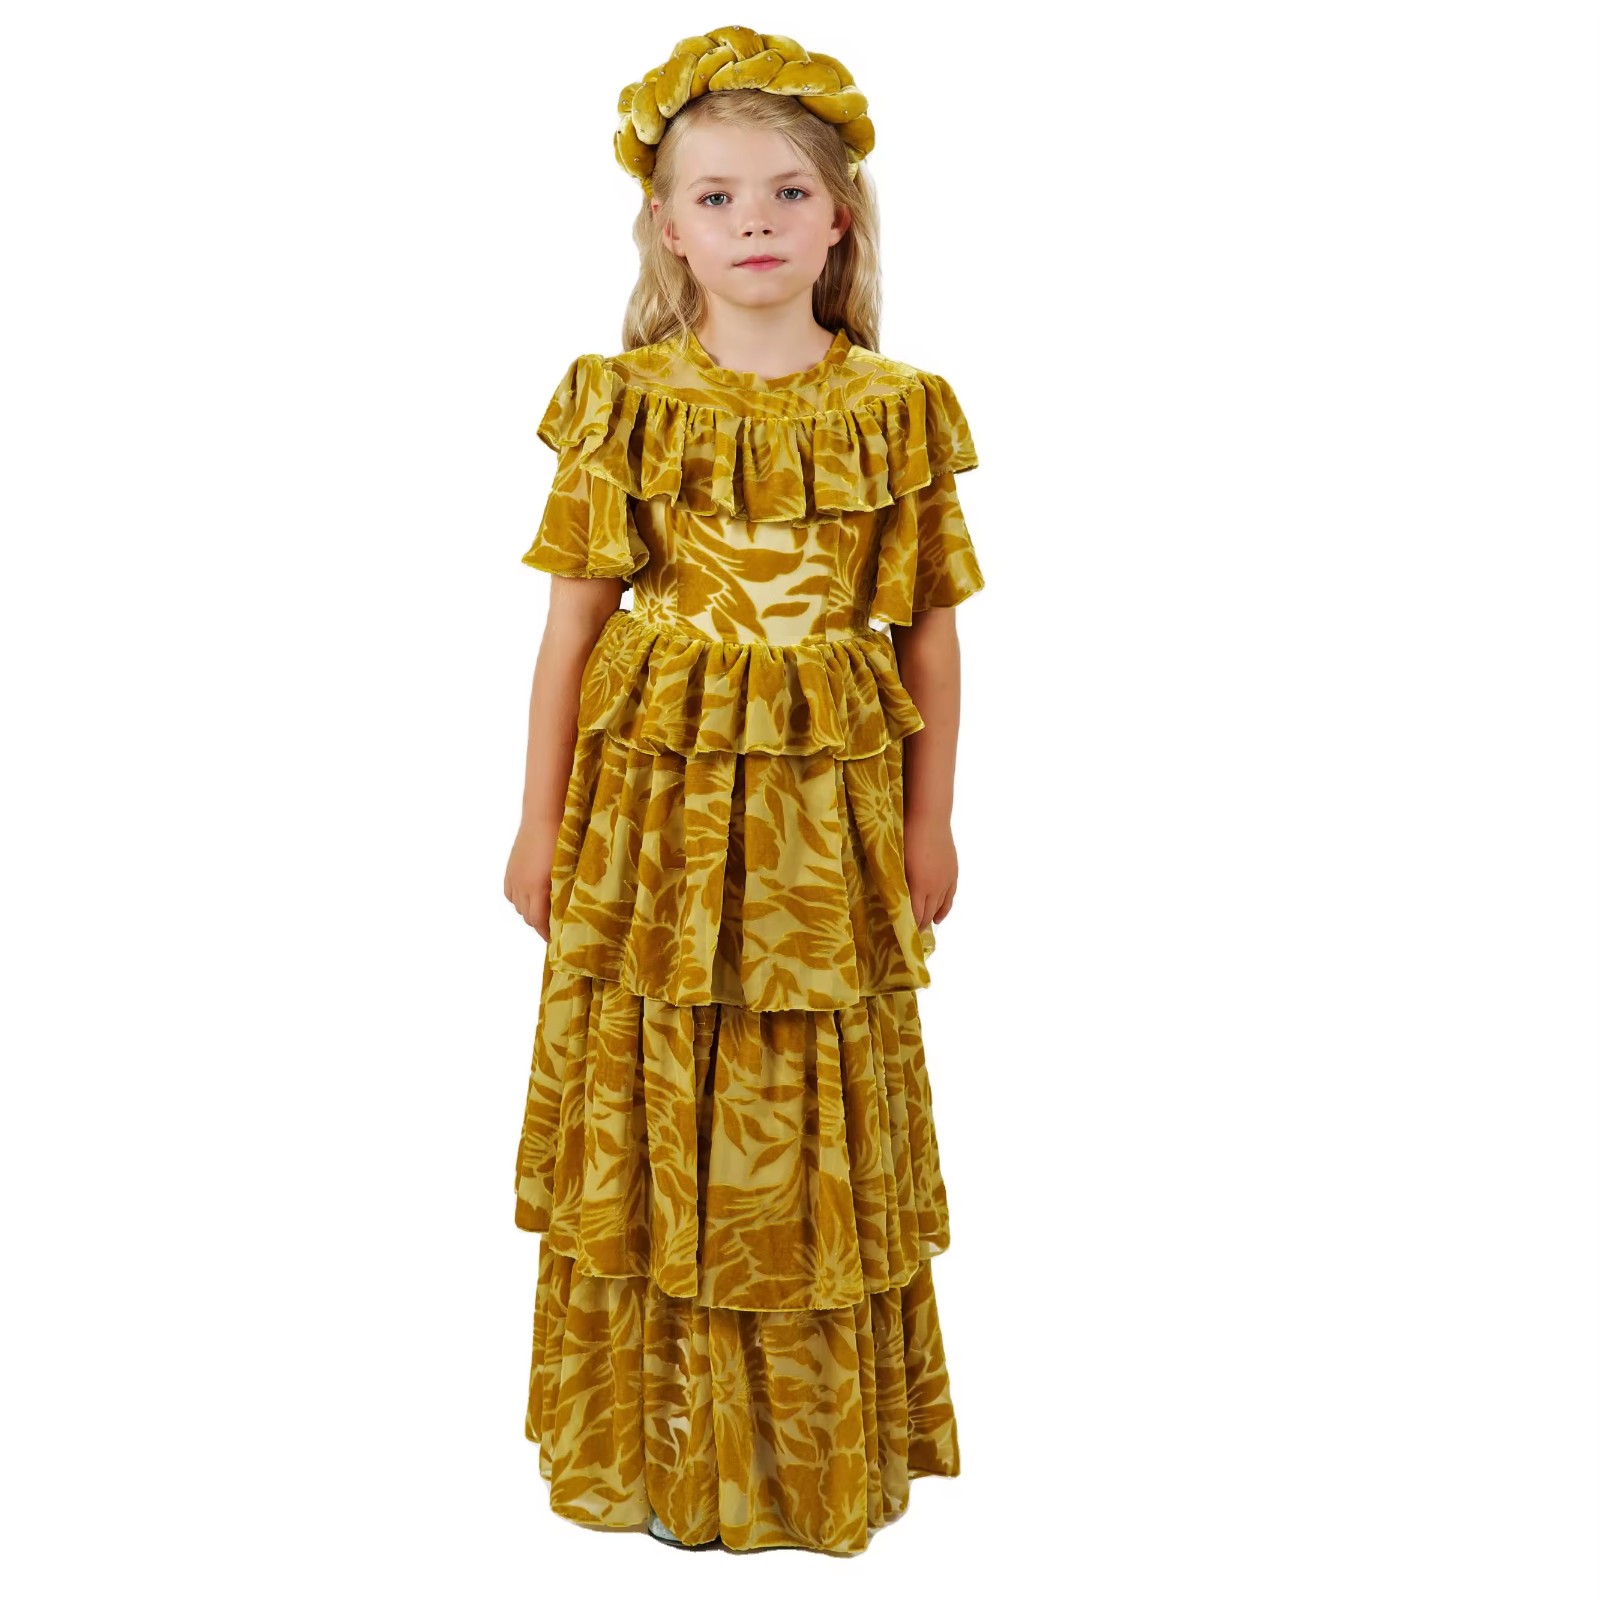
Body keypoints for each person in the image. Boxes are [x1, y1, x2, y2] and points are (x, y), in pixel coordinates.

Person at [503, 26, 985, 1558]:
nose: (753, 221)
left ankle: (802, 1455)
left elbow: (928, 633)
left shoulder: (896, 407)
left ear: (840, 217)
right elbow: (573, 627)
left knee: (805, 1090)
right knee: (658, 1086)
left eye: (786, 192)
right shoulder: (624, 399)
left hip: (825, 824)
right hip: (654, 815)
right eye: (715, 197)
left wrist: (932, 819)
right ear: (666, 225)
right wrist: (538, 820)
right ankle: (666, 1445)